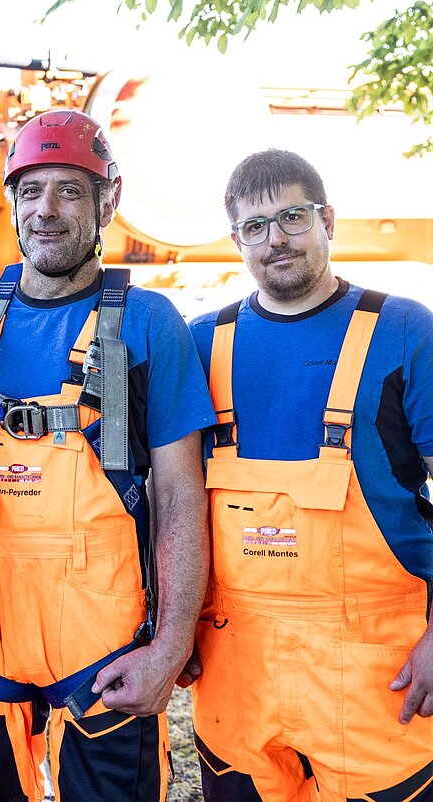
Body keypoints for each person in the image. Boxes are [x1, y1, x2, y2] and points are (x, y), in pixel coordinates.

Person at [0, 109, 214, 801]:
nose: (45, 210)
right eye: (30, 191)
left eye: (69, 190)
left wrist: (170, 648)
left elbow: (182, 496)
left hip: (104, 655)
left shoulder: (148, 323)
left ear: (107, 201)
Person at [186, 148, 433, 800]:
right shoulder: (201, 342)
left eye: (292, 217)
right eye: (254, 226)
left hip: (379, 673)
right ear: (236, 239)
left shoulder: (404, 330)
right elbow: (169, 501)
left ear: (327, 219)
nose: (276, 239)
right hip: (238, 672)